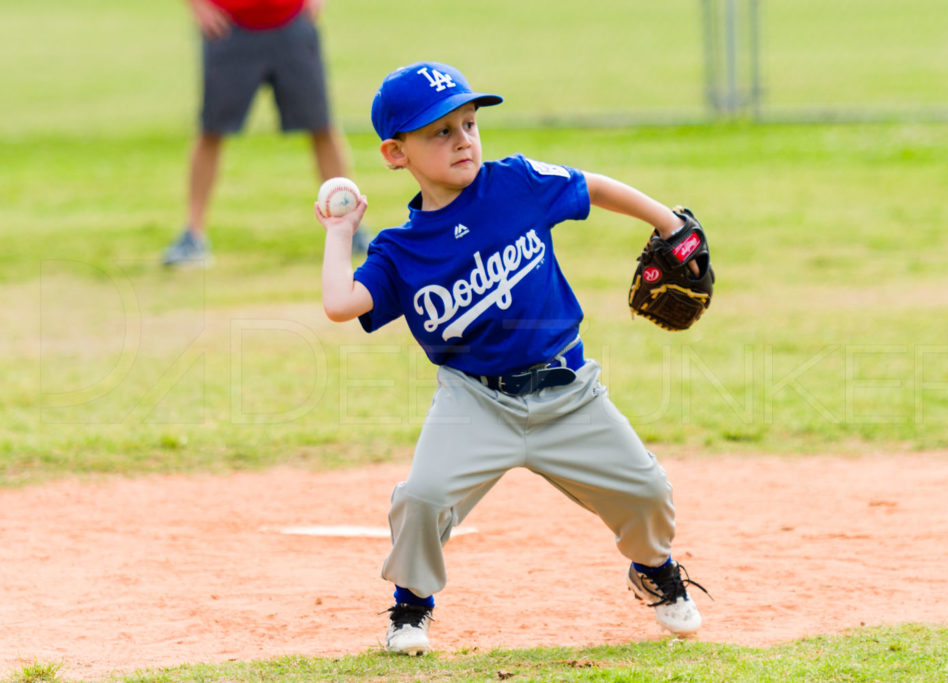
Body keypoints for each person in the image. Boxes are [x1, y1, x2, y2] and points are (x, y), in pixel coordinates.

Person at [316, 61, 709, 655]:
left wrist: (670, 224)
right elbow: (341, 303)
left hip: (570, 390)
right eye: (439, 132)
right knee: (421, 497)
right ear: (396, 154)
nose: (462, 140)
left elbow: (594, 186)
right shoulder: (401, 250)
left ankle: (653, 569)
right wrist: (341, 231)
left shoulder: (517, 184)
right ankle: (411, 606)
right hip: (474, 400)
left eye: (469, 124)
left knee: (649, 492)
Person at [164, 0, 369, 266]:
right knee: (210, 132)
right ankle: (193, 236)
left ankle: (351, 229)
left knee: (322, 127)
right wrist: (198, 6)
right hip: (229, 27)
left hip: (292, 23)